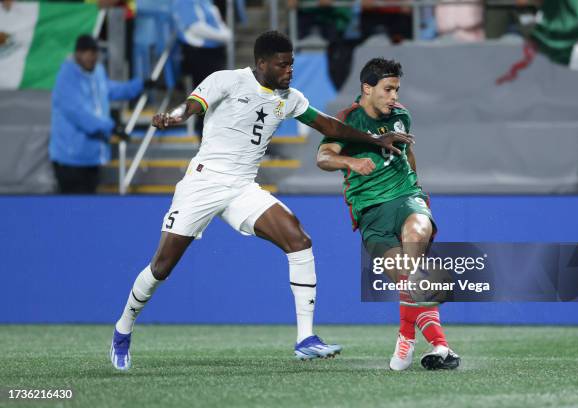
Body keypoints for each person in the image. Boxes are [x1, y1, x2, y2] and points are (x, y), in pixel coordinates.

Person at [109, 31, 412, 370]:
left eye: (292, 63)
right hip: (204, 182)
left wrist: (374, 139)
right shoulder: (227, 80)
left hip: (242, 187)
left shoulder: (290, 97)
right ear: (262, 63)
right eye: (283, 65)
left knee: (298, 240)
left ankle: (305, 339)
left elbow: (330, 126)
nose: (289, 70)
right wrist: (174, 117)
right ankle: (123, 328)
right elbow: (192, 106)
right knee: (162, 266)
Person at [316, 58, 460, 371]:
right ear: (367, 89)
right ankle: (440, 346)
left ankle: (404, 338)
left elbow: (408, 153)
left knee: (416, 234)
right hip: (370, 213)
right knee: (413, 282)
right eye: (387, 89)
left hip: (407, 199)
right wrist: (351, 163)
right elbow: (323, 157)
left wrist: (418, 190)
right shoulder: (347, 121)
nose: (394, 96)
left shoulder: (401, 116)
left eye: (396, 89)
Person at [49, 34, 143, 194]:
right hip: (70, 160)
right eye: (88, 52)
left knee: (86, 211)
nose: (92, 57)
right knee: (72, 211)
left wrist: (140, 85)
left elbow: (110, 89)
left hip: (92, 158)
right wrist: (112, 127)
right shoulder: (66, 77)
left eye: (95, 52)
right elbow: (79, 114)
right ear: (78, 53)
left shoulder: (96, 72)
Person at [173, 0, 232, 138]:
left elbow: (218, 22)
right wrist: (223, 36)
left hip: (214, 54)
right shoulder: (185, 3)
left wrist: (224, 34)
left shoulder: (206, 3)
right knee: (206, 105)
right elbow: (194, 27)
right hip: (200, 56)